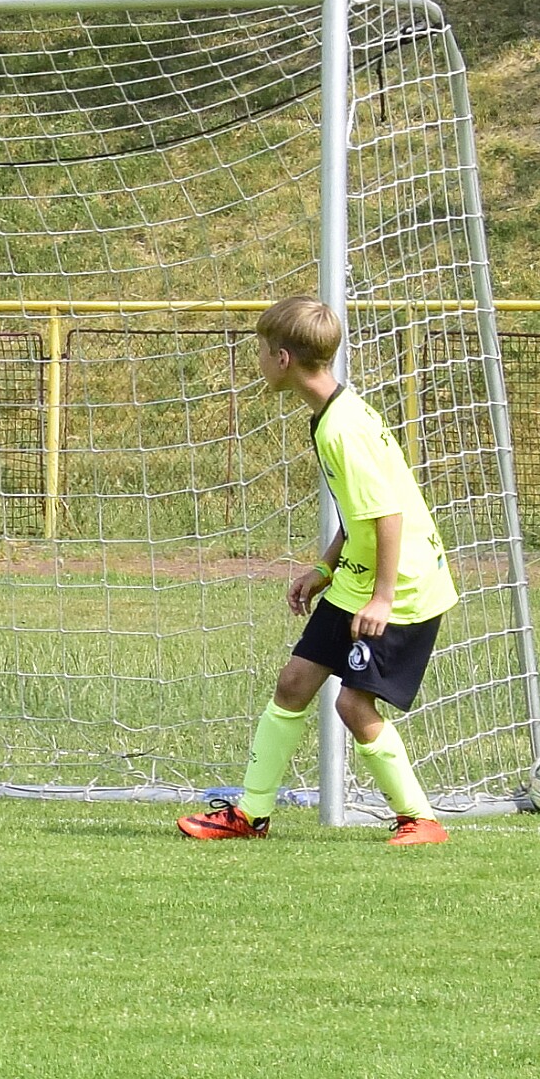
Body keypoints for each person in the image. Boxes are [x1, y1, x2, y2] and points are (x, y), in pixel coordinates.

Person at [178, 296, 455, 846]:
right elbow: (359, 512)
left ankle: (420, 819)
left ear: (283, 358)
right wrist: (325, 568)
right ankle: (251, 815)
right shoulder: (334, 412)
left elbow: (388, 514)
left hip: (401, 586)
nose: (258, 360)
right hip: (357, 578)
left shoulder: (342, 429)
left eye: (261, 350)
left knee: (352, 704)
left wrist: (381, 598)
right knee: (294, 683)